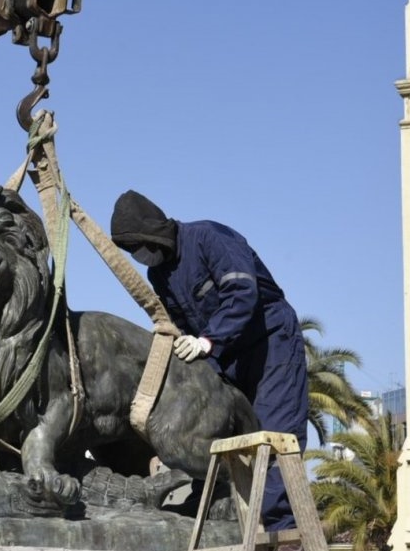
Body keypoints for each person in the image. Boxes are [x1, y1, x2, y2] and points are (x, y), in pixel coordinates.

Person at [109, 189, 309, 533]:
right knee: (206, 422)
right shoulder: (160, 275)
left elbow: (242, 292)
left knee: (274, 435)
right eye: (131, 251)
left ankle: (284, 531)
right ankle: (210, 499)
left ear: (154, 232)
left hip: (269, 343)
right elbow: (180, 325)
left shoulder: (209, 237)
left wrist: (208, 340)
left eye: (138, 245)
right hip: (221, 355)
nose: (139, 255)